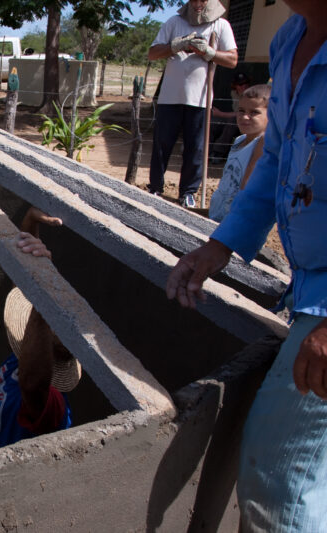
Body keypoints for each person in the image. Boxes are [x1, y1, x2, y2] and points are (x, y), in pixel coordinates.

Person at [165, 1, 327, 528]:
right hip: (307, 288)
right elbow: (279, 158)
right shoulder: (289, 41)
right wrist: (223, 244)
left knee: (280, 480)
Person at [0, 208, 82, 451]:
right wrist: (30, 222)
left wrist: (45, 295)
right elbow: (21, 282)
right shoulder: (22, 355)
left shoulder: (52, 404)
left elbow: (32, 385)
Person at [147, 0, 238, 207]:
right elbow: (152, 53)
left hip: (199, 99)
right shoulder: (174, 22)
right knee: (162, 145)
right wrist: (174, 46)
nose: (198, 4)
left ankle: (188, 192)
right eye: (194, 0)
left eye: (203, 0)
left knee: (195, 148)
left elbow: (232, 60)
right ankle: (155, 188)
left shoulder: (220, 25)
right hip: (170, 97)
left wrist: (210, 52)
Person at [208, 84, 270, 222]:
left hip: (238, 219)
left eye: (254, 112)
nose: (245, 117)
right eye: (241, 110)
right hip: (219, 214)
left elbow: (248, 186)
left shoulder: (263, 143)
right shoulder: (239, 140)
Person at [210, 72, 252, 162]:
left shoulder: (251, 95)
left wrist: (220, 114)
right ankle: (206, 151)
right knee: (214, 122)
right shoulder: (234, 93)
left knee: (232, 121)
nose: (243, 86)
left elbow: (241, 114)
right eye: (240, 84)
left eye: (246, 83)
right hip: (236, 118)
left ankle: (219, 152)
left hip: (247, 122)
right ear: (235, 86)